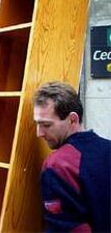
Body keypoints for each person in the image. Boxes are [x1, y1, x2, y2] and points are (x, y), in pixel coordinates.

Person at [33, 81, 111, 232]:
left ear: (73, 119)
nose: (39, 133)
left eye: (46, 125)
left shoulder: (57, 165)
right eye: (37, 124)